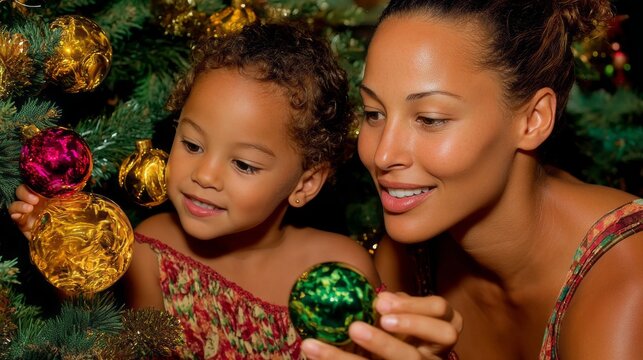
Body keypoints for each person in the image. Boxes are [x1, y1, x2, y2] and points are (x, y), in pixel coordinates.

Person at [9, 22, 380, 359]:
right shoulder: (150, 251)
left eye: (243, 164)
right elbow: (112, 346)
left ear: (305, 183)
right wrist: (65, 251)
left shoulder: (341, 271)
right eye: (192, 145)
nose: (204, 175)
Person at [300, 0, 643, 359]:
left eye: (430, 119)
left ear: (533, 119)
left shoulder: (627, 274)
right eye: (374, 113)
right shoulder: (409, 259)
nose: (383, 155)